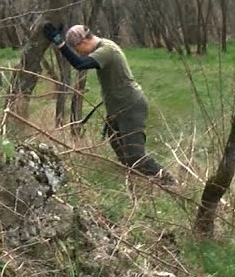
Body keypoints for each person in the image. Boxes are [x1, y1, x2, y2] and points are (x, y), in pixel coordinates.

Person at [42, 22, 169, 180]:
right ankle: (137, 179)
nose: (77, 52)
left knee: (136, 155)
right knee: (118, 145)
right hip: (117, 107)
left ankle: (168, 182)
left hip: (130, 106)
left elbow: (80, 64)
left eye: (76, 48)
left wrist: (60, 43)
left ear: (83, 41)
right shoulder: (101, 48)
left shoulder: (107, 50)